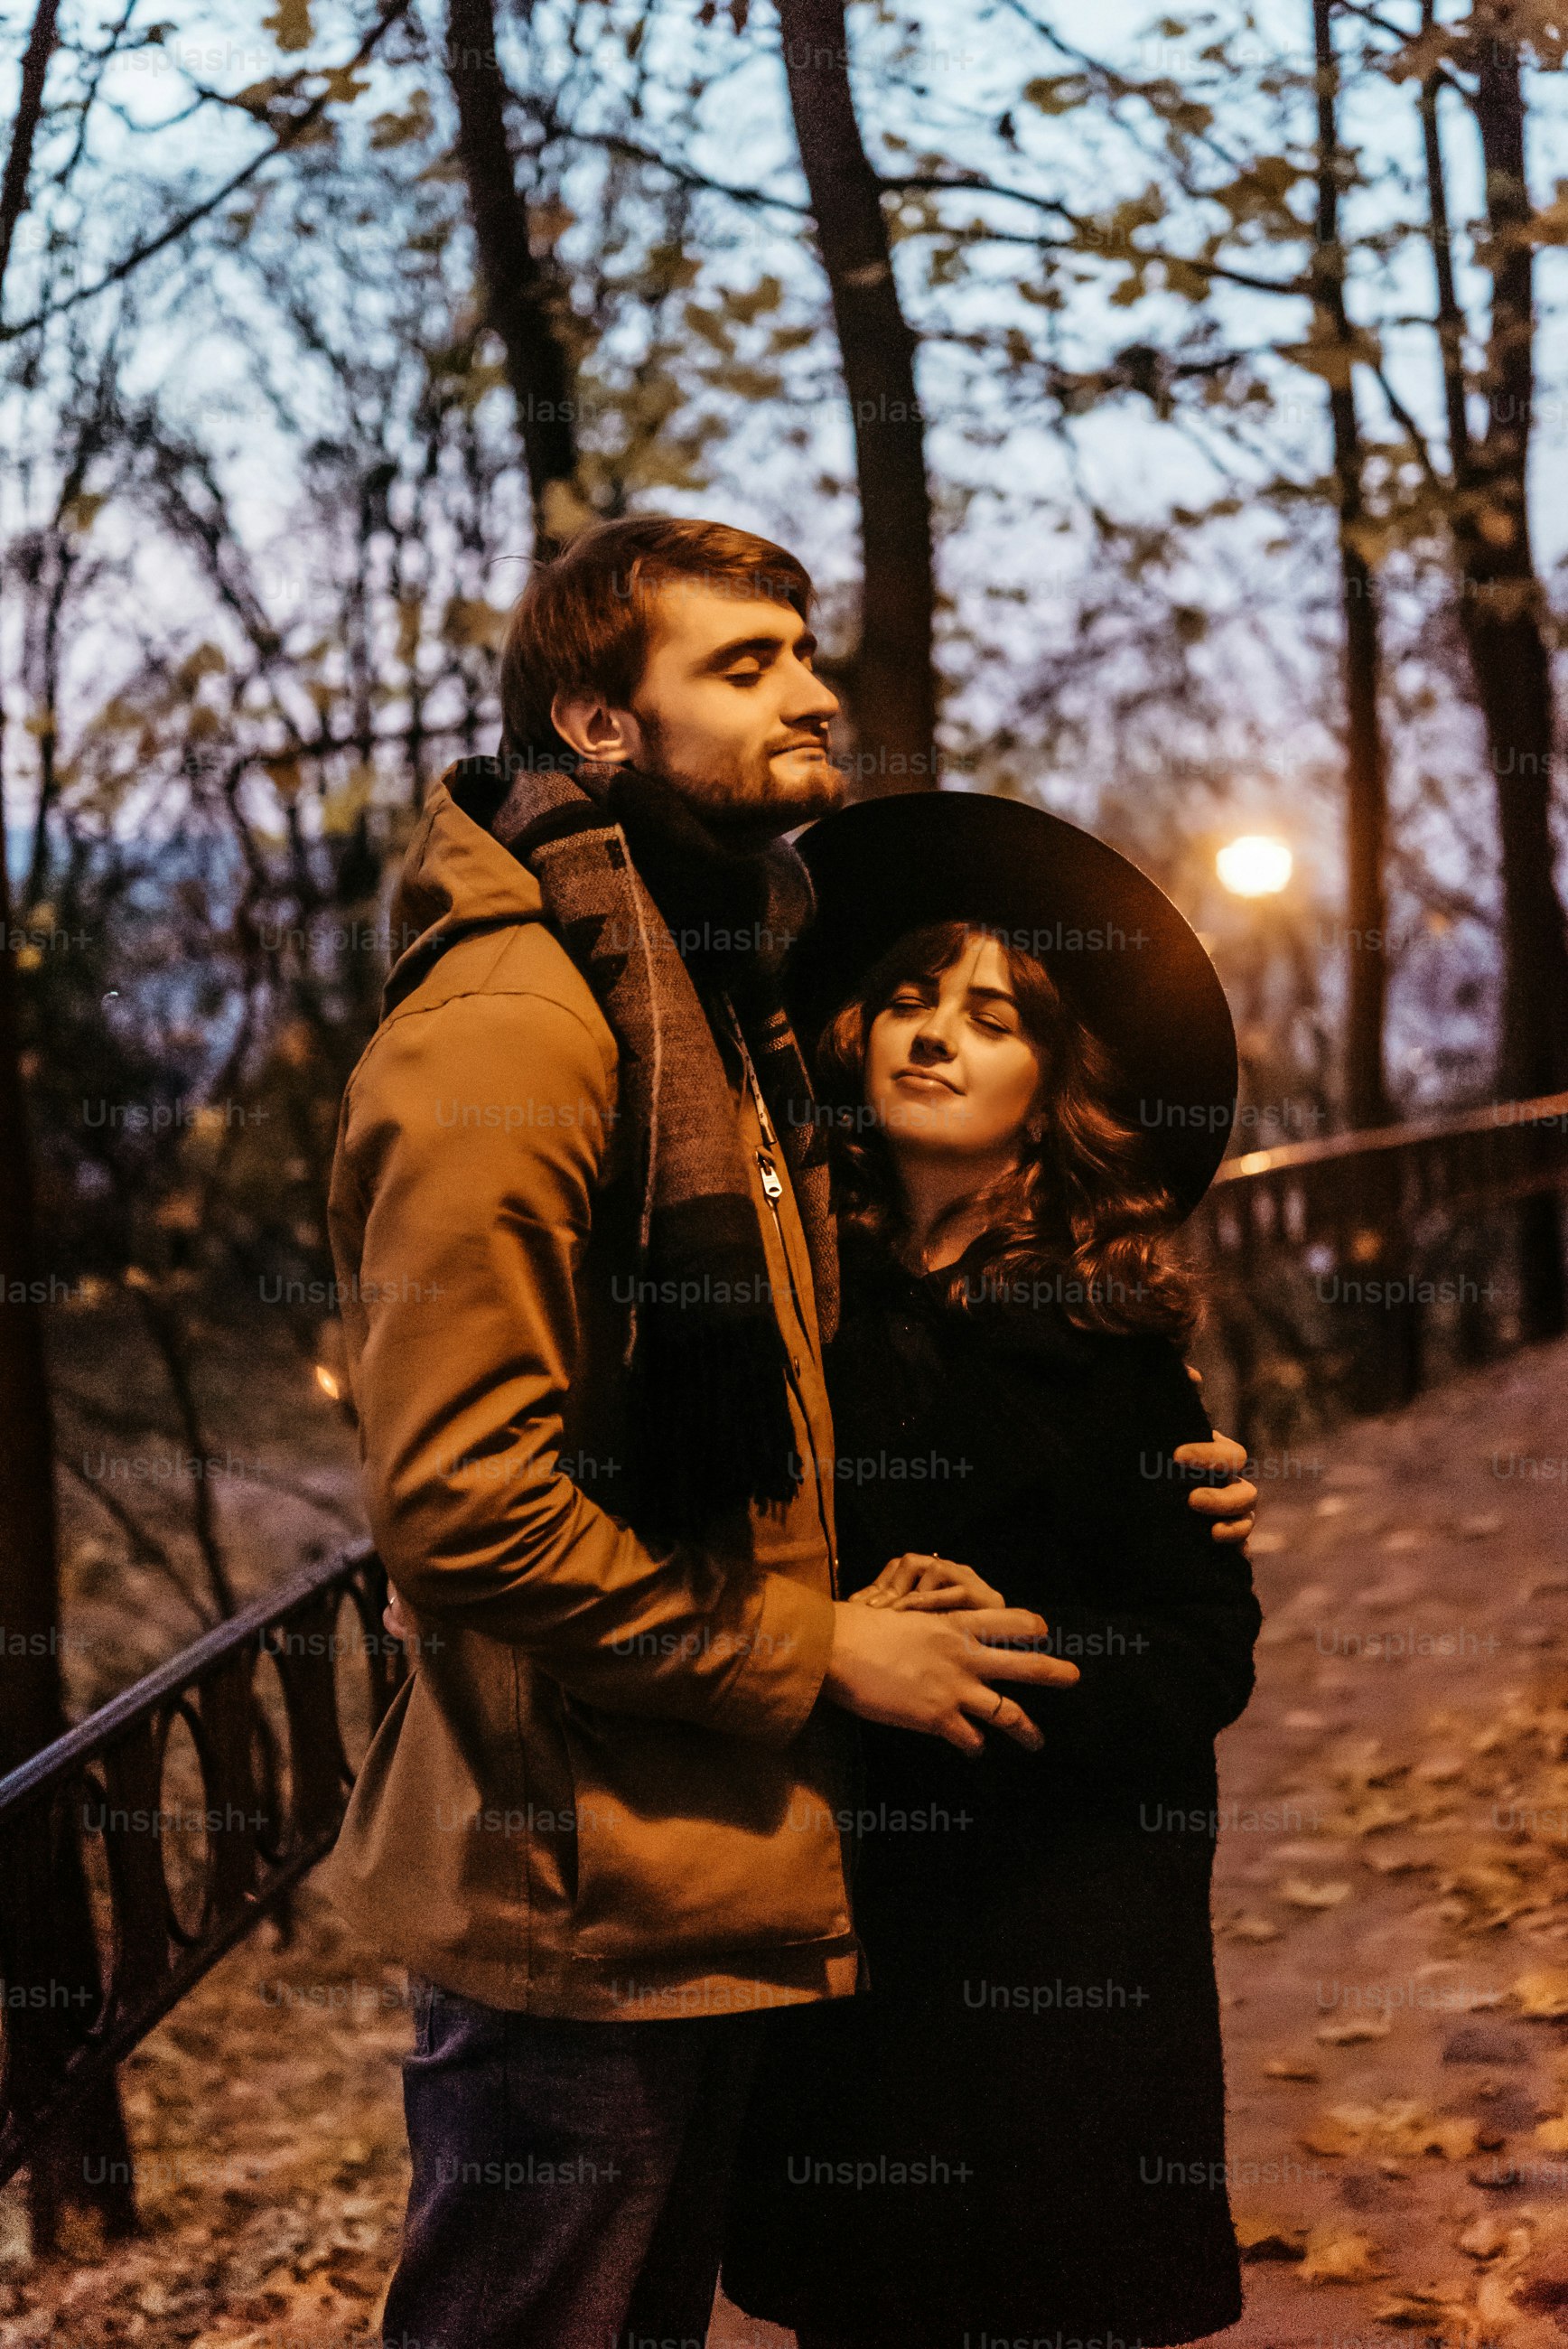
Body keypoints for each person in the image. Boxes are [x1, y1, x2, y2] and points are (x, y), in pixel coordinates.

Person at [331, 515, 1259, 2349]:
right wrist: (828, 1641)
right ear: (599, 728)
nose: (810, 689)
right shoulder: (525, 1025)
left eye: (803, 651)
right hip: (584, 1873)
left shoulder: (692, 1010)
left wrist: (1142, 1502)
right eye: (741, 665)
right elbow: (460, 1500)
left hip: (729, 1878)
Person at [720, 791, 1263, 2349]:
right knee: (867, 2304)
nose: (935, 1036)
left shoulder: (1107, 1344)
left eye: (991, 1016)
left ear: (1052, 1086)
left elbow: (1199, 1651)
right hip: (854, 1923)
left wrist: (1006, 1656)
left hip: (1063, 1936)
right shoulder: (800, 1312)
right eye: (907, 998)